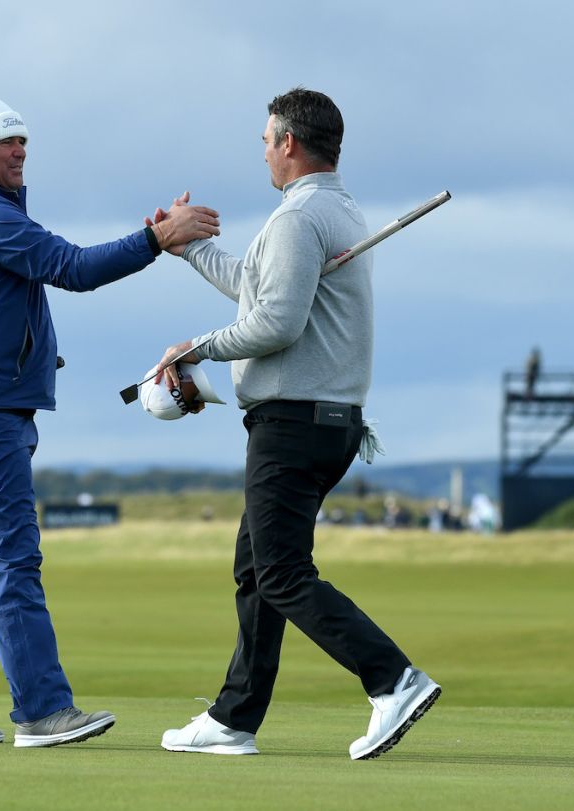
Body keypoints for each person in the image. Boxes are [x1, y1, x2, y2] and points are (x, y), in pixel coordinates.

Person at [0, 79, 220, 749]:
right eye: (7, 140)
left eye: (22, 139)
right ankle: (42, 711)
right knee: (13, 557)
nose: (20, 149)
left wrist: (151, 234)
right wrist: (157, 238)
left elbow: (52, 269)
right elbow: (72, 267)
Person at [149, 87, 440, 759]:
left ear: (288, 143)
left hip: (294, 420)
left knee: (279, 571)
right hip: (327, 419)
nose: (262, 148)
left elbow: (276, 323)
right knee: (256, 566)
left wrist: (195, 349)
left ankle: (393, 679)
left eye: (265, 138)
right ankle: (232, 718)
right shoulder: (332, 209)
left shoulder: (297, 219)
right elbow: (263, 294)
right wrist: (187, 249)